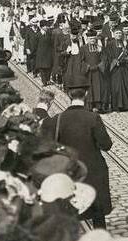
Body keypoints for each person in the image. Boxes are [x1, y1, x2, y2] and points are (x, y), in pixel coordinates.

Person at [41, 86, 113, 229]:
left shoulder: (58, 119)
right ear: (86, 94)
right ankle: (101, 240)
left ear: (68, 95)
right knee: (97, 212)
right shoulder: (93, 117)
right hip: (93, 171)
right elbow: (106, 145)